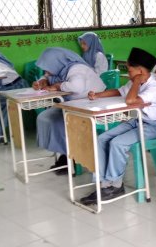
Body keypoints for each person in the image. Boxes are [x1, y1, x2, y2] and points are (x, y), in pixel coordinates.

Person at [80, 48, 156, 205]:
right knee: (102, 138)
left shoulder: (154, 88)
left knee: (118, 143)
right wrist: (97, 95)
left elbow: (130, 101)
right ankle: (104, 183)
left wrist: (136, 81)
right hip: (139, 121)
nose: (128, 75)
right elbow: (120, 91)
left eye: (130, 71)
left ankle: (115, 186)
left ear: (140, 71)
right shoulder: (135, 82)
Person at [33, 47, 105, 175]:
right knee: (45, 118)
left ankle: (71, 157)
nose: (46, 71)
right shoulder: (60, 68)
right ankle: (66, 153)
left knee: (59, 122)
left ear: (55, 62)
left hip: (90, 105)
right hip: (72, 106)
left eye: (47, 67)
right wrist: (42, 81)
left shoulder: (76, 69)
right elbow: (47, 76)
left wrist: (58, 86)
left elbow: (76, 87)